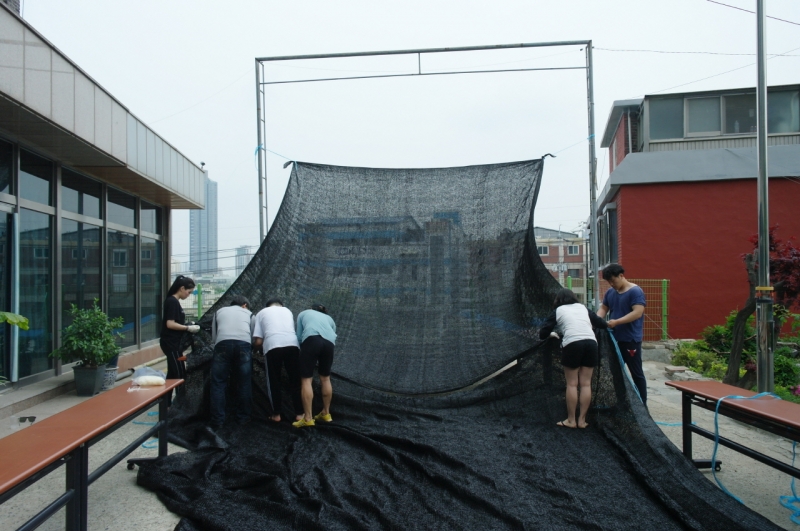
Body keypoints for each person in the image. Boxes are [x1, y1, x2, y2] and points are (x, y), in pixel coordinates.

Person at [539, 288, 607, 429]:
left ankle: (571, 420)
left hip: (572, 344)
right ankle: (582, 421)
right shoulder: (583, 308)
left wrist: (551, 334)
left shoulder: (558, 311)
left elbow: (542, 333)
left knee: (572, 384)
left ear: (558, 300)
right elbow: (600, 323)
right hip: (591, 343)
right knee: (586, 384)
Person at [596, 263, 648, 405]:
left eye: (613, 281)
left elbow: (637, 312)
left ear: (621, 276)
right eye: (609, 282)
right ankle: (621, 402)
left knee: (636, 372)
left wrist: (617, 322)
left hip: (630, 339)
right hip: (614, 339)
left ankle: (642, 404)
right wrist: (596, 320)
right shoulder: (610, 292)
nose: (612, 284)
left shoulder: (635, 292)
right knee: (616, 372)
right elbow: (603, 309)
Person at [252, 298, 302, 423]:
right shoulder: (288, 311)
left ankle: (276, 414)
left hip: (273, 346)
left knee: (274, 381)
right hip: (292, 345)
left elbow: (258, 341)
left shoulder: (261, 313)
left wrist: (255, 350)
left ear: (267, 306)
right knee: (295, 380)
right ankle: (300, 413)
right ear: (281, 305)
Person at [209, 295, 255, 429]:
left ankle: (218, 420)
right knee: (244, 382)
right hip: (244, 345)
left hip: (222, 344)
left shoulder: (219, 312)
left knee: (218, 383)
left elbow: (214, 336)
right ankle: (243, 418)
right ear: (245, 305)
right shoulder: (250, 314)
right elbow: (253, 336)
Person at [293, 304, 337, 428]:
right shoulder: (330, 319)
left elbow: (299, 337)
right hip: (329, 344)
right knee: (326, 378)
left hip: (311, 340)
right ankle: (326, 413)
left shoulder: (304, 313)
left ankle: (308, 418)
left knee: (306, 380)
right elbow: (333, 334)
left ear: (311, 309)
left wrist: (304, 353)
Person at [160, 275, 200, 386]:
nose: (188, 295)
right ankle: (180, 397)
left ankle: (166, 397)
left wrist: (188, 324)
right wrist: (188, 328)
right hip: (171, 343)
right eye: (189, 292)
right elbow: (170, 324)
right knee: (180, 374)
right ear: (182, 288)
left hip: (173, 343)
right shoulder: (172, 302)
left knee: (172, 375)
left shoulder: (174, 301)